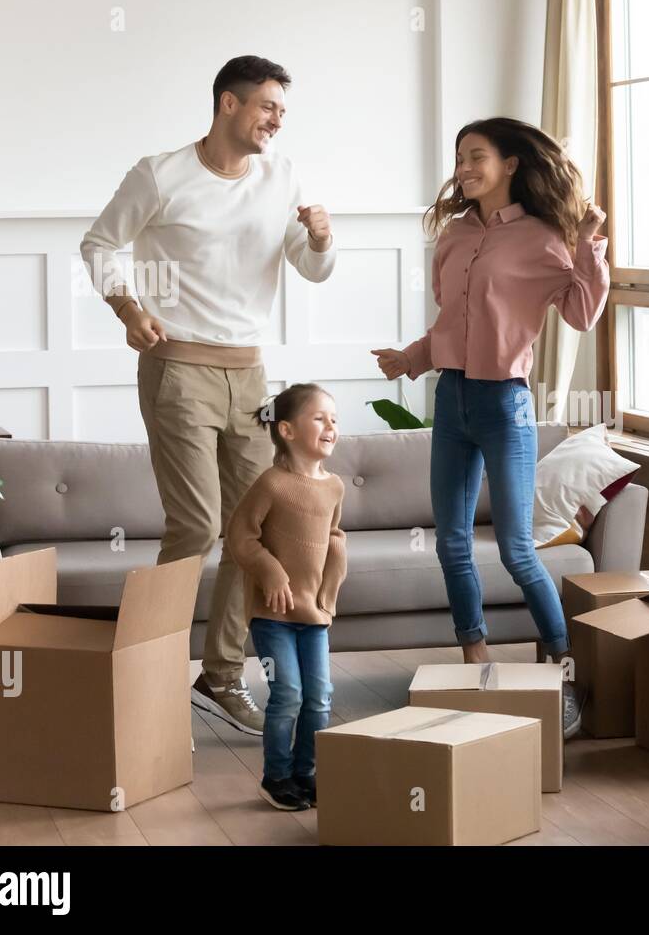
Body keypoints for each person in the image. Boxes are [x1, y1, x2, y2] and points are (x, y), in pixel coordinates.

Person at [80, 56, 336, 735]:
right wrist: (129, 311)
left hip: (249, 375)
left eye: (283, 111)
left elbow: (310, 269)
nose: (276, 122)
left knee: (253, 529)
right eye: (266, 107)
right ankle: (147, 670)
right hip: (178, 368)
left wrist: (320, 239)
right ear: (228, 103)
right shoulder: (160, 174)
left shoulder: (281, 176)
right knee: (195, 525)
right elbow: (101, 243)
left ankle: (220, 673)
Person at [371, 118, 607, 737]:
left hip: (506, 405)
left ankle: (563, 665)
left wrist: (587, 245)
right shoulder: (454, 235)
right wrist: (410, 358)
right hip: (451, 399)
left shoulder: (546, 236)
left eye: (477, 156)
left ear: (510, 165)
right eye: (459, 157)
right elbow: (452, 320)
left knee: (516, 548)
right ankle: (475, 658)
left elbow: (582, 313)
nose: (464, 167)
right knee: (451, 541)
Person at [227, 383, 345, 811]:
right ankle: (276, 776)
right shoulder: (271, 484)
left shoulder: (334, 487)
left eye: (334, 419)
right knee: (288, 694)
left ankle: (306, 772)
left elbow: (334, 541)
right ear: (288, 430)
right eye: (319, 418)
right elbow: (240, 537)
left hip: (314, 616)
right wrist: (269, 570)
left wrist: (327, 598)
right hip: (272, 615)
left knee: (320, 696)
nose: (330, 425)